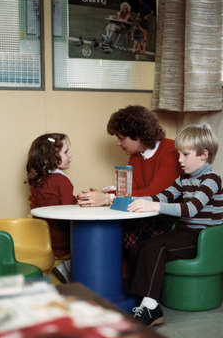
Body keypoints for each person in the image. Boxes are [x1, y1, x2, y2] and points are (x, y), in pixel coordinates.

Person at [127, 123, 223, 327]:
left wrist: (153, 205)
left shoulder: (211, 179)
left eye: (185, 155)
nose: (179, 160)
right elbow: (163, 195)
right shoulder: (184, 178)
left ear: (204, 155)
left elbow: (190, 209)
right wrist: (138, 201)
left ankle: (152, 309)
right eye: (178, 154)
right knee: (139, 246)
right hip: (184, 233)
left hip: (202, 238)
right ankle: (144, 301)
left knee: (156, 247)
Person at [77, 105, 180, 249]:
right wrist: (100, 196)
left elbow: (155, 194)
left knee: (115, 234)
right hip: (143, 214)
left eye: (121, 138)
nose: (118, 143)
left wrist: (107, 198)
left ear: (138, 136)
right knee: (103, 228)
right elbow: (131, 193)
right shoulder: (136, 155)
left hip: (165, 217)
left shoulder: (171, 150)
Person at [26, 133, 76, 259]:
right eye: (66, 152)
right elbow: (69, 211)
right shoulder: (62, 181)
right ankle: (65, 268)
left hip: (41, 237)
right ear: (51, 157)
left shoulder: (38, 180)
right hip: (61, 242)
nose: (70, 156)